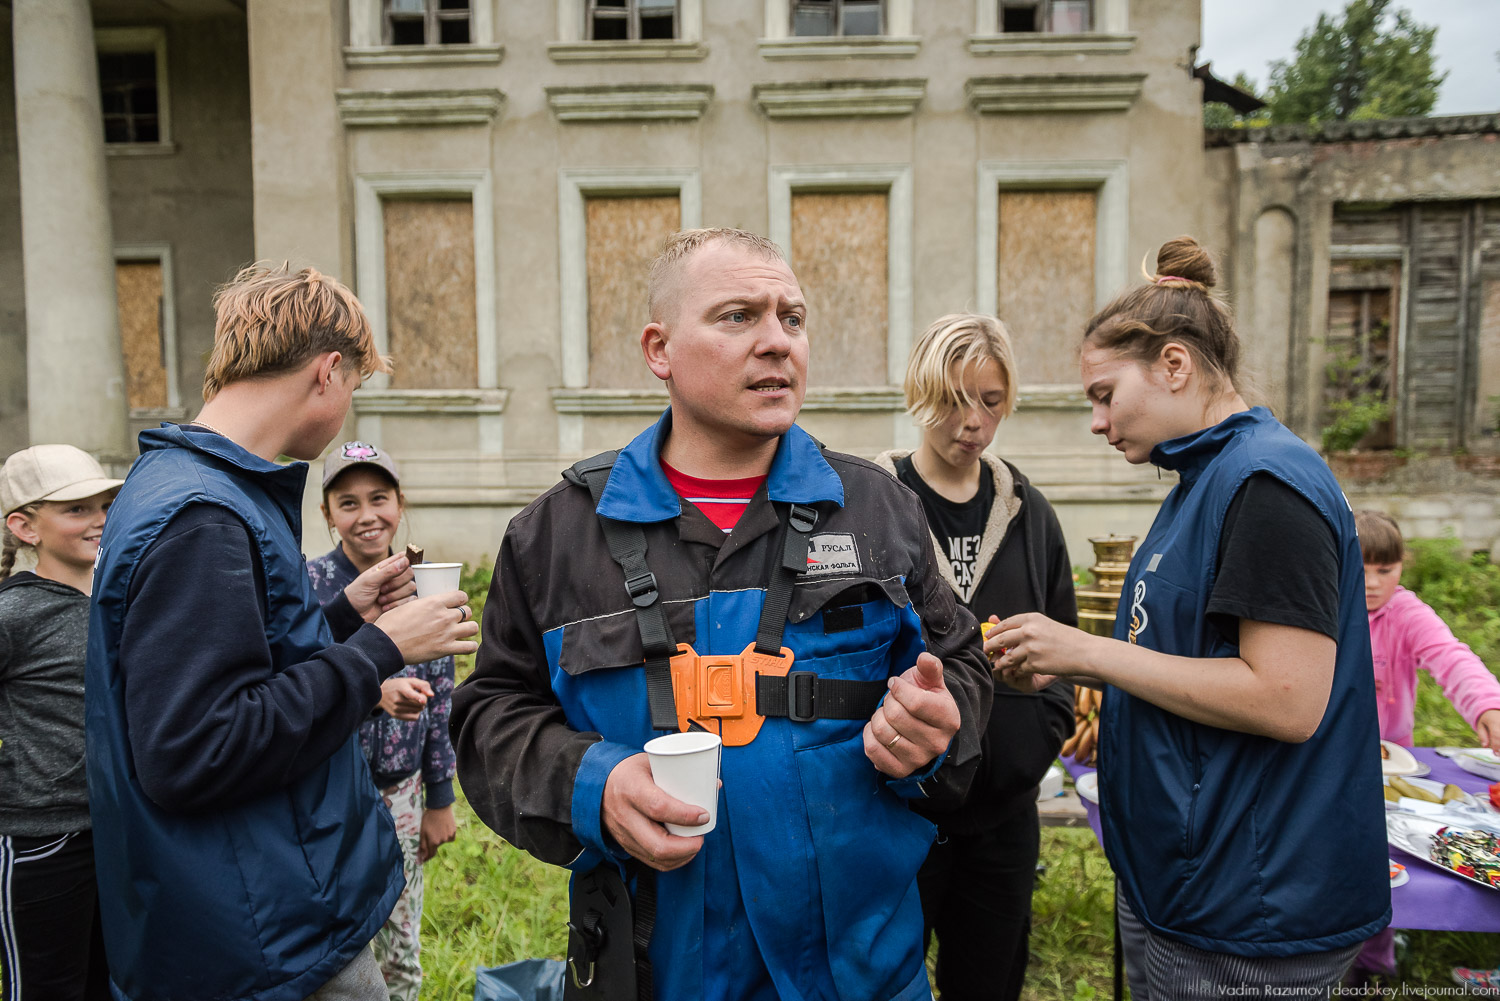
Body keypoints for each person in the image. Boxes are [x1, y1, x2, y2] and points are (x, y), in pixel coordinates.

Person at [451, 227, 993, 1001]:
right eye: (738, 316)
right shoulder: (556, 537)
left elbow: (962, 665)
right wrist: (594, 784)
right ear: (659, 349)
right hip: (651, 977)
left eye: (792, 318)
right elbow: (489, 718)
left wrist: (939, 727)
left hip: (862, 977)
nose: (777, 341)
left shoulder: (878, 509)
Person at [991, 237, 1389, 998]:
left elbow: (1286, 698)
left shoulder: (1267, 485)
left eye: (1105, 394)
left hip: (1252, 906)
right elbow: (1185, 654)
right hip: (1190, 882)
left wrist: (1088, 653)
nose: (1098, 422)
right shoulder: (1204, 481)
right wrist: (1077, 668)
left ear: (1174, 364)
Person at [85, 263, 479, 1001]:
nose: (346, 408)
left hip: (252, 903)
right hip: (266, 936)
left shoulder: (184, 481)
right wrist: (384, 648)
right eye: (353, 387)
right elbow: (196, 746)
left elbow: (232, 662)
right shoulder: (203, 516)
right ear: (327, 372)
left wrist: (341, 615)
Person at [873, 313, 1076, 1001]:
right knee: (883, 982)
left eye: (991, 401)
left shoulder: (1027, 511)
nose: (974, 422)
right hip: (898, 810)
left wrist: (1036, 733)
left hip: (1003, 818)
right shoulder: (876, 504)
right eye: (955, 399)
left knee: (988, 983)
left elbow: (1063, 639)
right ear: (920, 393)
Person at [307, 442, 459, 1001]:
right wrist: (373, 694)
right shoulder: (309, 586)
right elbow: (297, 684)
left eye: (379, 498)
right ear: (327, 514)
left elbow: (442, 699)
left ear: (400, 503)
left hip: (401, 791)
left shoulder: (428, 584)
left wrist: (439, 797)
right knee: (337, 937)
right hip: (325, 790)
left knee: (400, 936)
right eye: (348, 503)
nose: (367, 515)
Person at [1350, 508, 1500, 982]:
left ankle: (1377, 963)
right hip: (1329, 757)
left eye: (1385, 569)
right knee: (1349, 858)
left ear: (1403, 567)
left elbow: (1452, 658)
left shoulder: (1408, 613)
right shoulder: (1321, 609)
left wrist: (1488, 708)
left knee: (1390, 860)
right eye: (1359, 568)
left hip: (1395, 761)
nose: (1372, 583)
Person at [1, 445, 121, 1000]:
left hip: (117, 831)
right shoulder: (14, 613)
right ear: (25, 527)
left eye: (104, 505)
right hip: (40, 844)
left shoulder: (119, 600)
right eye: (76, 509)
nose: (98, 520)